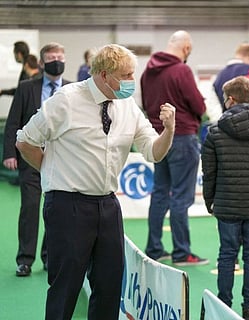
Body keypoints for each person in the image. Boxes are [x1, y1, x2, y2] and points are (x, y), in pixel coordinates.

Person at [16, 43, 175, 319]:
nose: (131, 81)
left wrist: (169, 131)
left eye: (131, 74)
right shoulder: (65, 100)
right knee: (65, 287)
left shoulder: (129, 107)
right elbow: (25, 141)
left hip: (108, 206)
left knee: (110, 285)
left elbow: (153, 153)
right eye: (125, 75)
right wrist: (51, 171)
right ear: (103, 75)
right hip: (67, 205)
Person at [201, 76, 249, 320]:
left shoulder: (215, 132)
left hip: (227, 205)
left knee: (227, 256)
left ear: (230, 100)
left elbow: (209, 172)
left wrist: (209, 200)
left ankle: (223, 306)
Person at [141, 30, 209, 266]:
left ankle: (155, 248)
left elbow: (146, 104)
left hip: (157, 138)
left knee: (160, 194)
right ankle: (182, 252)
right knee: (181, 197)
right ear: (187, 48)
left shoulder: (147, 72)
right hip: (182, 137)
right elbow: (198, 105)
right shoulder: (182, 70)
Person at [3, 42, 70, 277]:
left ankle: (49, 257)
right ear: (41, 63)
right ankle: (25, 259)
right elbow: (13, 121)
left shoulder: (73, 89)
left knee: (55, 211)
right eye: (52, 57)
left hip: (61, 160)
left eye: (60, 56)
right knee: (30, 208)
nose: (57, 60)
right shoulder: (26, 88)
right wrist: (10, 153)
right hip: (30, 157)